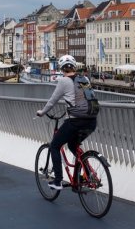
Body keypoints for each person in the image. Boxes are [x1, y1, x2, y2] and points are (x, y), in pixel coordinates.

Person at [36, 54, 97, 191]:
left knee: (54, 146)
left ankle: (57, 181)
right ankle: (88, 173)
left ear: (62, 68)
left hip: (75, 121)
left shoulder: (63, 81)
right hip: (91, 121)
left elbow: (53, 100)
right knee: (72, 145)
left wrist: (42, 112)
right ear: (74, 66)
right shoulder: (84, 79)